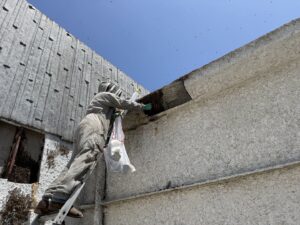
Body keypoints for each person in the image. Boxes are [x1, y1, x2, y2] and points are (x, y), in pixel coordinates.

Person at [34, 81, 152, 218]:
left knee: (72, 164)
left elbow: (112, 117)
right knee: (87, 158)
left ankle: (46, 201)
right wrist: (142, 107)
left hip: (84, 128)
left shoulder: (100, 104)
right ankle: (59, 199)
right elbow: (122, 103)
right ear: (113, 90)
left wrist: (113, 119)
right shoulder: (106, 95)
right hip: (94, 127)